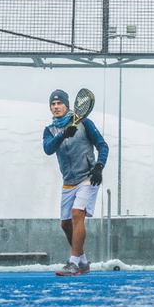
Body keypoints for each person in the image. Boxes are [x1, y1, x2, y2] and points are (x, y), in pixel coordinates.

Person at [43, 89, 109, 276]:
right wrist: (63, 135)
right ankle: (82, 262)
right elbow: (48, 149)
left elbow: (102, 145)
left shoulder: (84, 123)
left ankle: (72, 263)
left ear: (67, 105)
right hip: (68, 182)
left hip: (87, 178)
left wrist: (99, 166)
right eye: (53, 104)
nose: (56, 107)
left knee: (77, 214)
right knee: (65, 224)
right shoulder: (49, 130)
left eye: (59, 104)